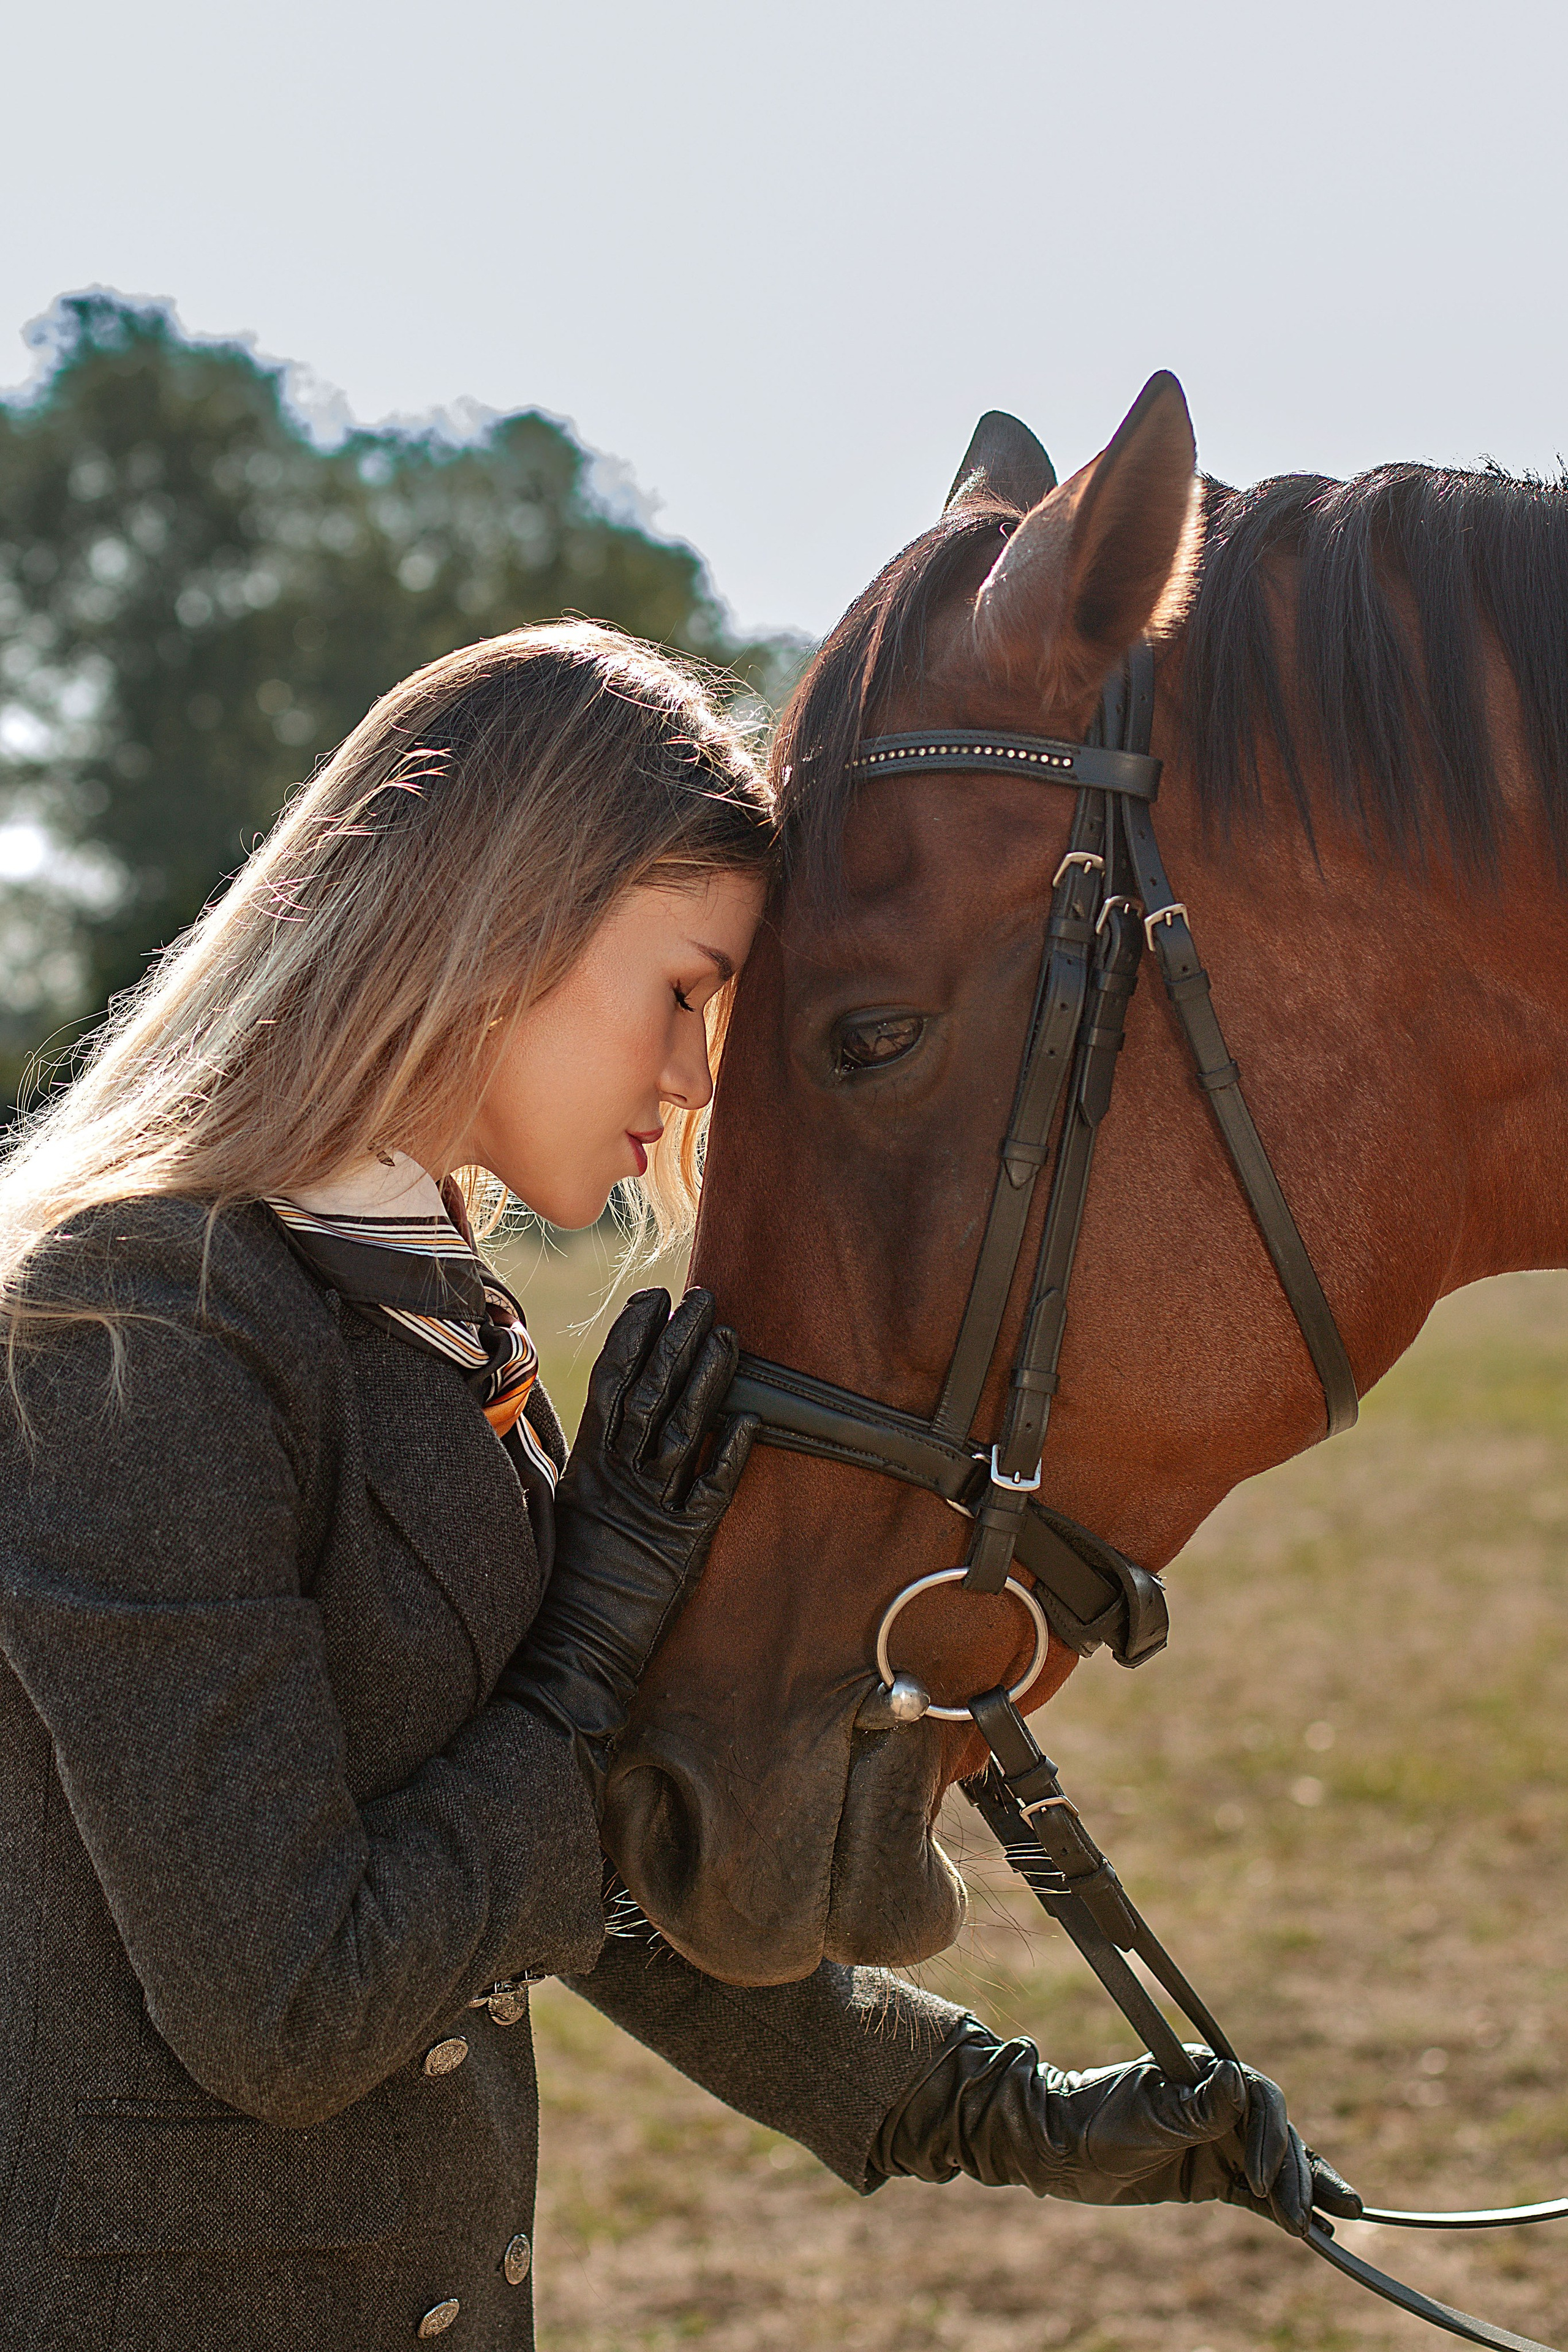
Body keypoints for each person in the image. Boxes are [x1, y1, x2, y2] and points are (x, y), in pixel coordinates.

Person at [0, 624, 1355, 2350]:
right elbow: (291, 2003)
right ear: (508, 923)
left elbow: (579, 1877)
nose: (699, 1077)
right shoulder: (135, 1330)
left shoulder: (433, 1312)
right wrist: (583, 1662)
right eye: (689, 989)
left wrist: (1009, 2114)